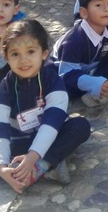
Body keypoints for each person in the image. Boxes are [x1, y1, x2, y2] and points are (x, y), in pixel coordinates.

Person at [0, 20, 90, 193]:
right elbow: (1, 127)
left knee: (80, 126)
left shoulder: (53, 80)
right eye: (15, 54)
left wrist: (33, 157)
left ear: (44, 53)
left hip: (50, 135)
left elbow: (53, 121)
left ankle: (40, 167)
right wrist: (2, 167)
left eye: (31, 51)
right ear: (6, 57)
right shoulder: (5, 86)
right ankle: (48, 167)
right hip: (18, 141)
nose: (24, 60)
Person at [0, 0, 25, 82]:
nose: (0, 9)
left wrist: (4, 42)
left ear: (16, 9)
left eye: (6, 5)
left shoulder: (19, 31)